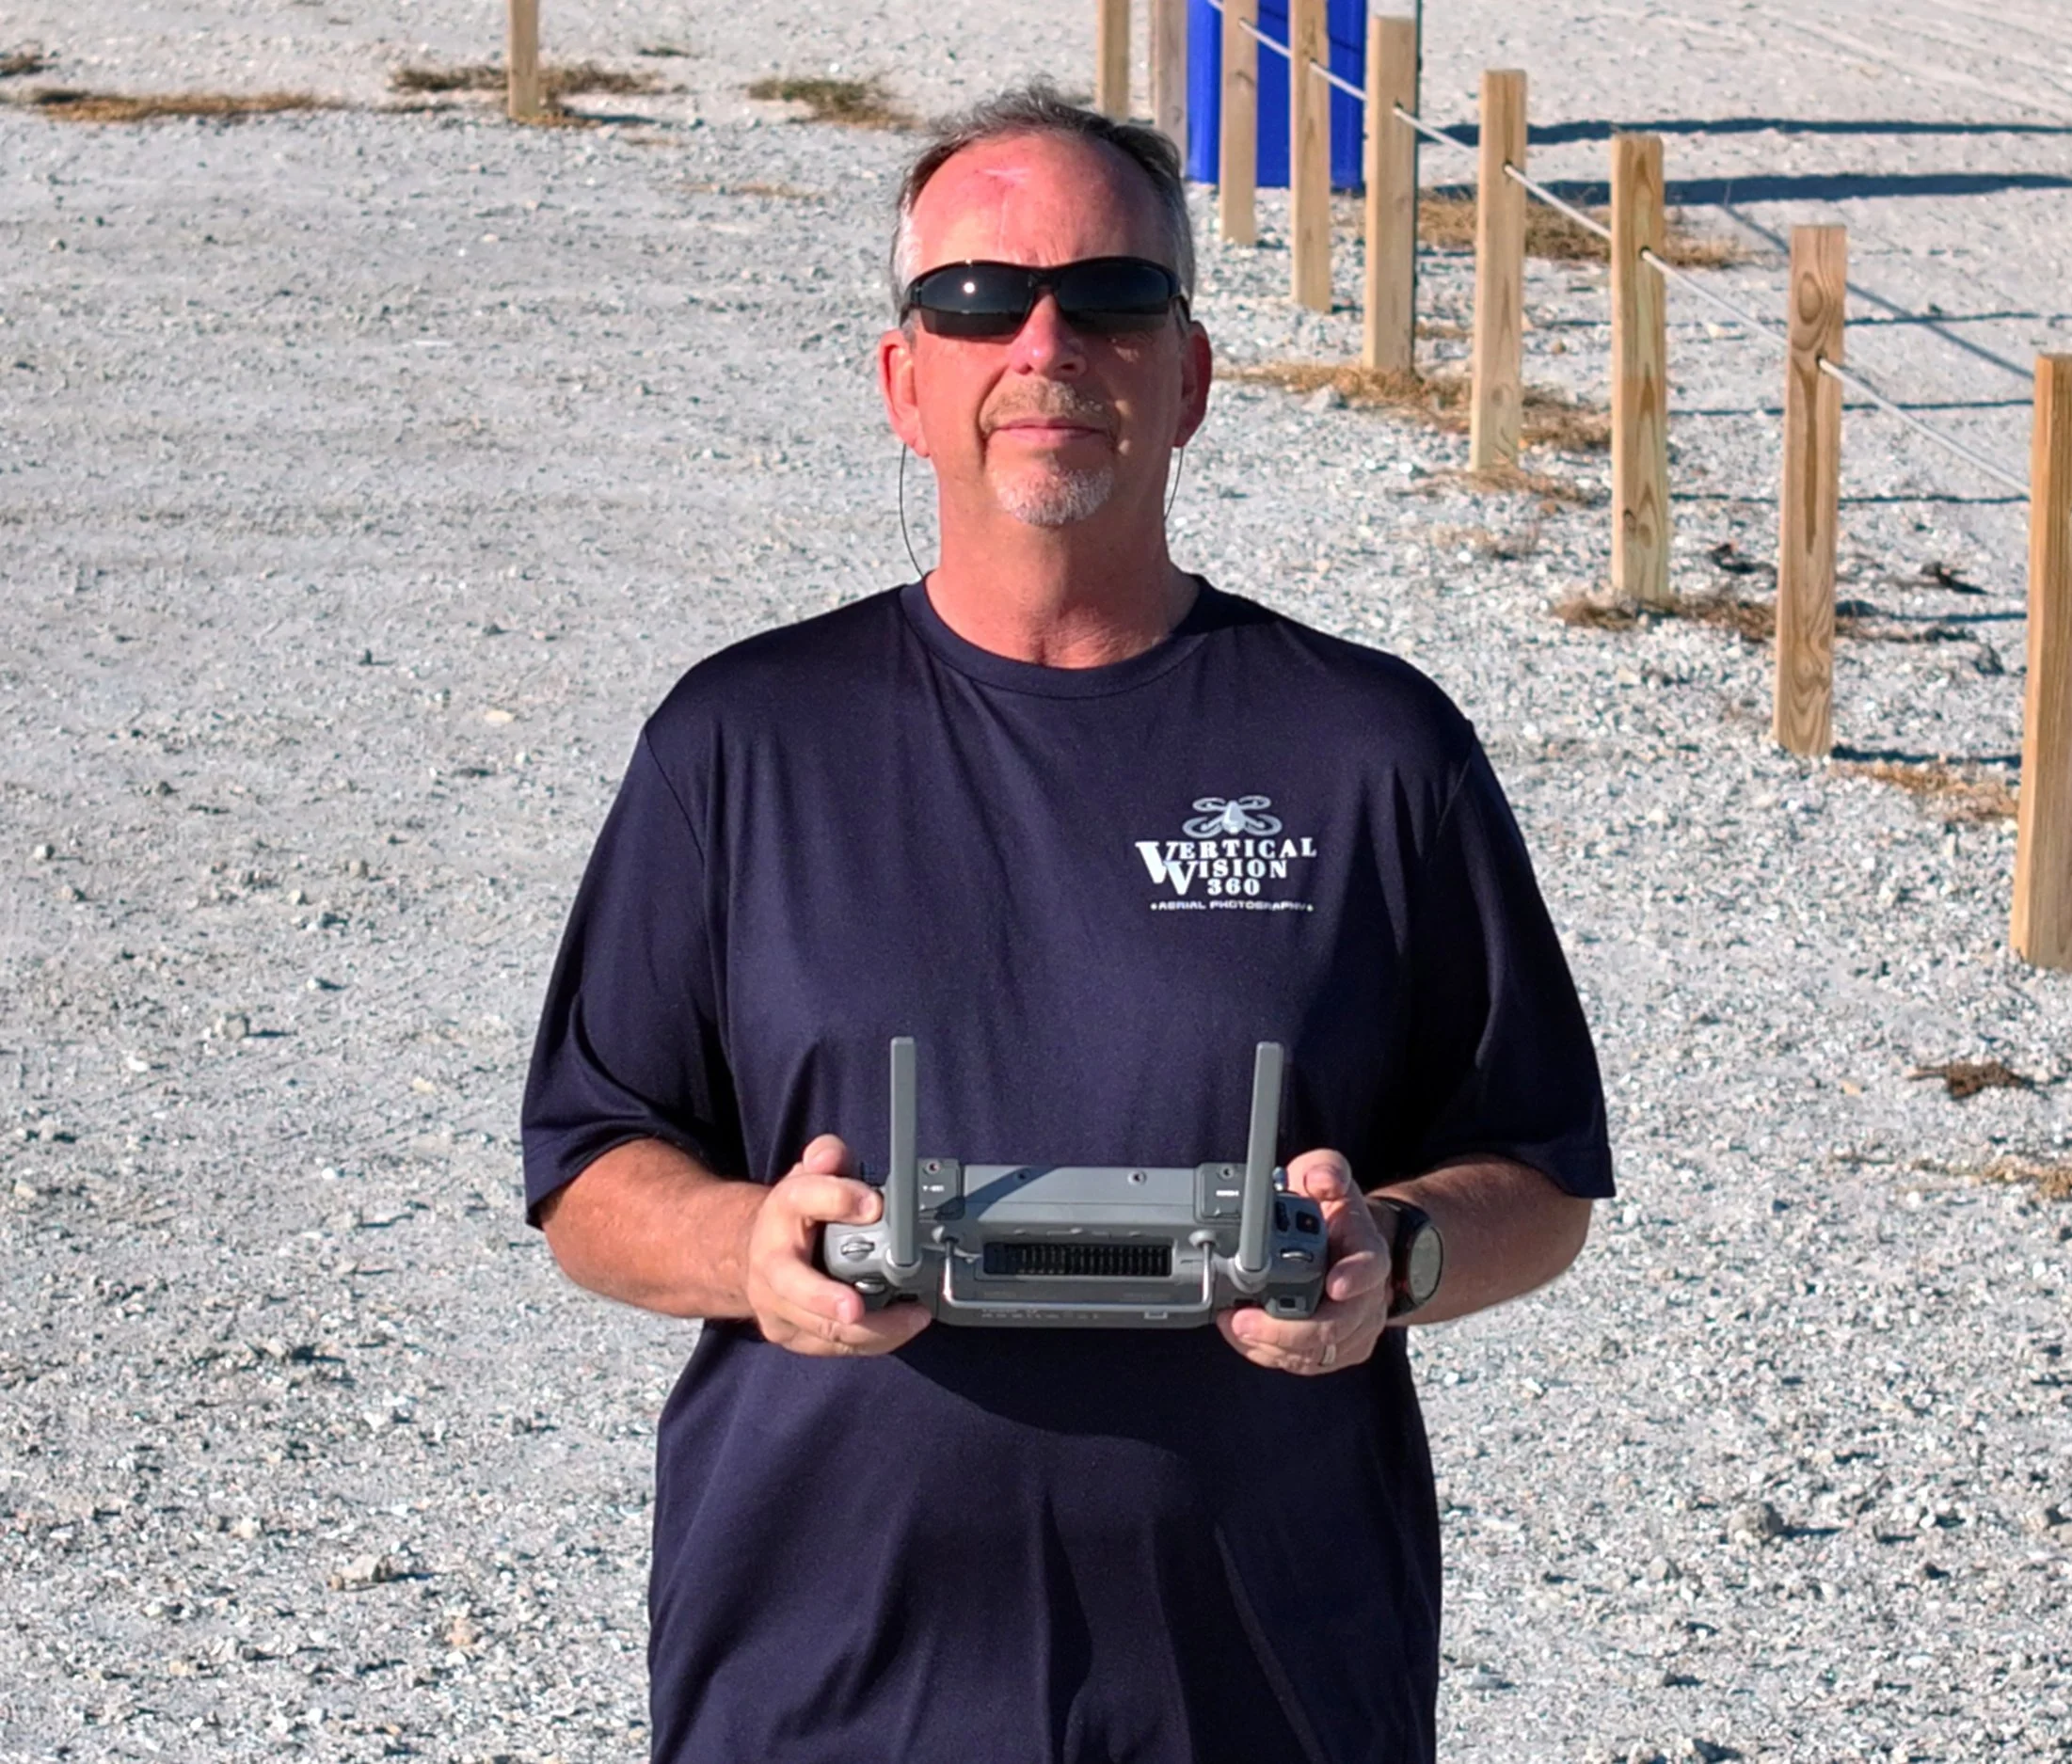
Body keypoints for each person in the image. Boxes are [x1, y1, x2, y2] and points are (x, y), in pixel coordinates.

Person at [521, 85, 1612, 1764]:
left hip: (1264, 1683)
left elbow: (1537, 1178)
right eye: (976, 300)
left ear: (1187, 377)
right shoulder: (740, 744)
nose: (1045, 343)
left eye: (1110, 297)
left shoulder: (1369, 748)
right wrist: (752, 1249)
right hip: (820, 1685)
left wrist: (1392, 1255)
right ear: (905, 381)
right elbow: (590, 1175)